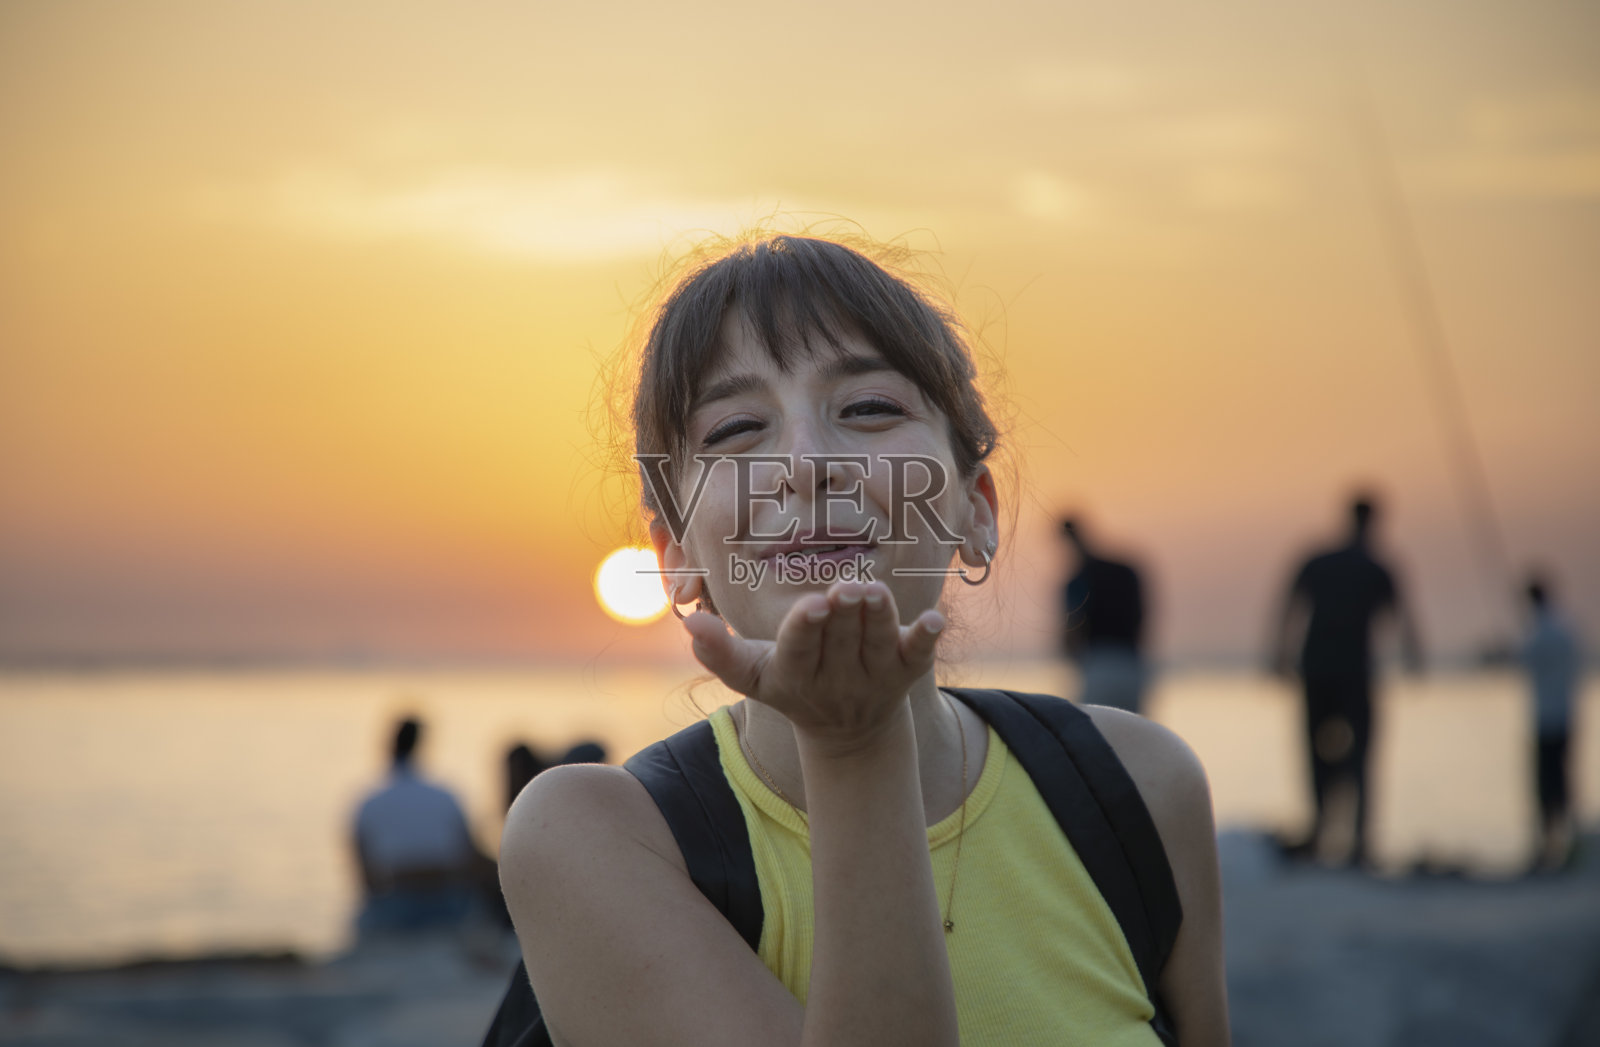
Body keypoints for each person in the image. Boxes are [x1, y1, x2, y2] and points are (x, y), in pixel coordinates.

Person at [498, 235, 1229, 1046]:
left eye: (870, 409)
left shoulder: (1134, 787)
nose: (806, 464)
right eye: (738, 428)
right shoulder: (594, 836)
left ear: (974, 510)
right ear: (675, 557)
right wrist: (852, 742)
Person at [1271, 495, 1422, 867]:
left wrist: (1278, 653)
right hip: (1351, 672)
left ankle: (1326, 831)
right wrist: (1415, 655)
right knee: (1359, 754)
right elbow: (1404, 617)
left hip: (1320, 669)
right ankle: (1356, 841)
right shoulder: (1374, 566)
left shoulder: (1323, 560)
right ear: (1373, 521)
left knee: (1318, 752)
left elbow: (1288, 605)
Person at [353, 716, 485, 937]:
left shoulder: (371, 801)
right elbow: (469, 854)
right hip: (447, 899)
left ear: (389, 745)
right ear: (420, 745)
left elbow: (363, 870)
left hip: (396, 901)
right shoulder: (446, 795)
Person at [1521, 574, 1582, 871]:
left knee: (1546, 786)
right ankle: (1567, 843)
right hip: (1566, 718)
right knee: (1564, 782)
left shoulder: (1539, 634)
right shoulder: (1566, 630)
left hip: (1546, 721)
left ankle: (1547, 847)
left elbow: (1523, 660)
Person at [1060, 516, 1150, 714]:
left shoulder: (1078, 578)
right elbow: (1144, 617)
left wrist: (1072, 658)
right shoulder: (1124, 570)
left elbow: (1070, 628)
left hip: (1098, 664)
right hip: (1132, 663)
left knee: (1091, 735)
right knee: (1134, 735)